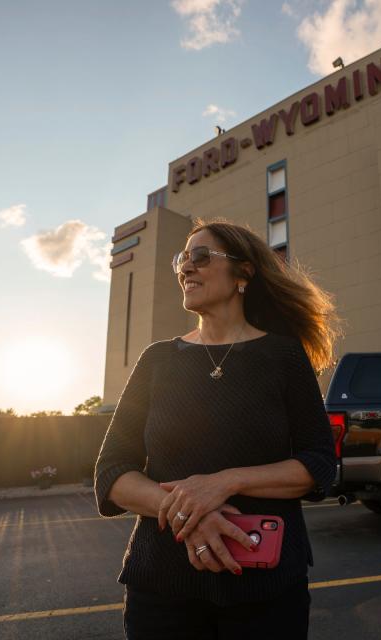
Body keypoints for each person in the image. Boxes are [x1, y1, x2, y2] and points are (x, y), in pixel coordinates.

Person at [94, 217, 344, 639]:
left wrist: (224, 483)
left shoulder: (284, 357)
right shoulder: (157, 360)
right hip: (161, 589)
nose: (185, 268)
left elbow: (318, 463)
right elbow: (112, 473)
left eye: (201, 257)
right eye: (182, 260)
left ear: (243, 273)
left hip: (266, 588)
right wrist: (191, 515)